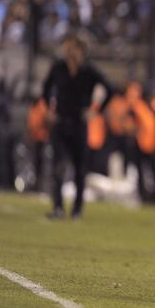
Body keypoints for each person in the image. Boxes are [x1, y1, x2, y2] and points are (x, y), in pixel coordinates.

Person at [43, 33, 113, 219]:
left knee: (79, 168)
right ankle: (58, 207)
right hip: (60, 123)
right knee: (58, 165)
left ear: (80, 50)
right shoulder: (58, 67)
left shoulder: (89, 71)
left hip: (78, 125)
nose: (68, 51)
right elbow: (46, 88)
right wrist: (49, 109)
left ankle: (77, 209)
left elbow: (110, 88)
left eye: (71, 47)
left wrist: (96, 110)